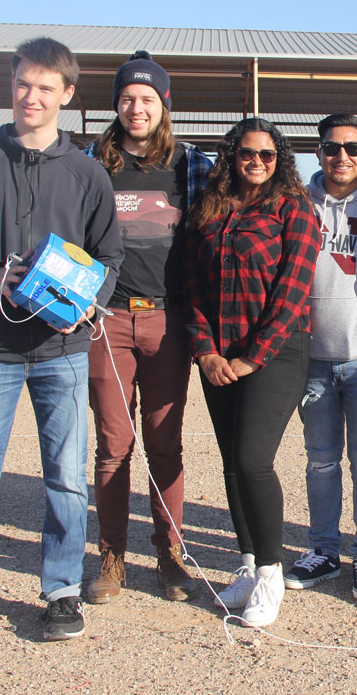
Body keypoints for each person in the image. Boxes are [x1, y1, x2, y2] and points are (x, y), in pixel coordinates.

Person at [0, 37, 123, 644]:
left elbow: (109, 256)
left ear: (66, 95)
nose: (31, 97)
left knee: (65, 477)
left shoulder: (87, 174)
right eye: (22, 84)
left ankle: (61, 591)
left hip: (60, 353)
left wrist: (89, 303)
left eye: (45, 87)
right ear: (11, 87)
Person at [85, 51, 213, 605]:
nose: (137, 108)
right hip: (105, 319)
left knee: (165, 444)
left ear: (165, 104)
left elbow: (222, 226)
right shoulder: (92, 162)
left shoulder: (192, 165)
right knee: (114, 444)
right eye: (127, 99)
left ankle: (169, 552)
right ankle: (111, 554)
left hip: (167, 318)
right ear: (116, 105)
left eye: (148, 99)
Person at [186, 117, 319, 628]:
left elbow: (292, 293)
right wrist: (206, 353)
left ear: (279, 159)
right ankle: (246, 563)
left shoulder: (294, 209)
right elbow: (193, 286)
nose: (257, 162)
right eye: (247, 153)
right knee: (229, 462)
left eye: (267, 154)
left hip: (276, 353)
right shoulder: (211, 209)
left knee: (253, 459)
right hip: (218, 356)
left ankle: (270, 573)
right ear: (232, 156)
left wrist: (250, 358)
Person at [284, 114, 357, 601]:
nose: (343, 156)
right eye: (332, 147)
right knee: (320, 462)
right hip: (313, 358)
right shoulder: (298, 203)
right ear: (318, 152)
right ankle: (324, 550)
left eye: (353, 147)